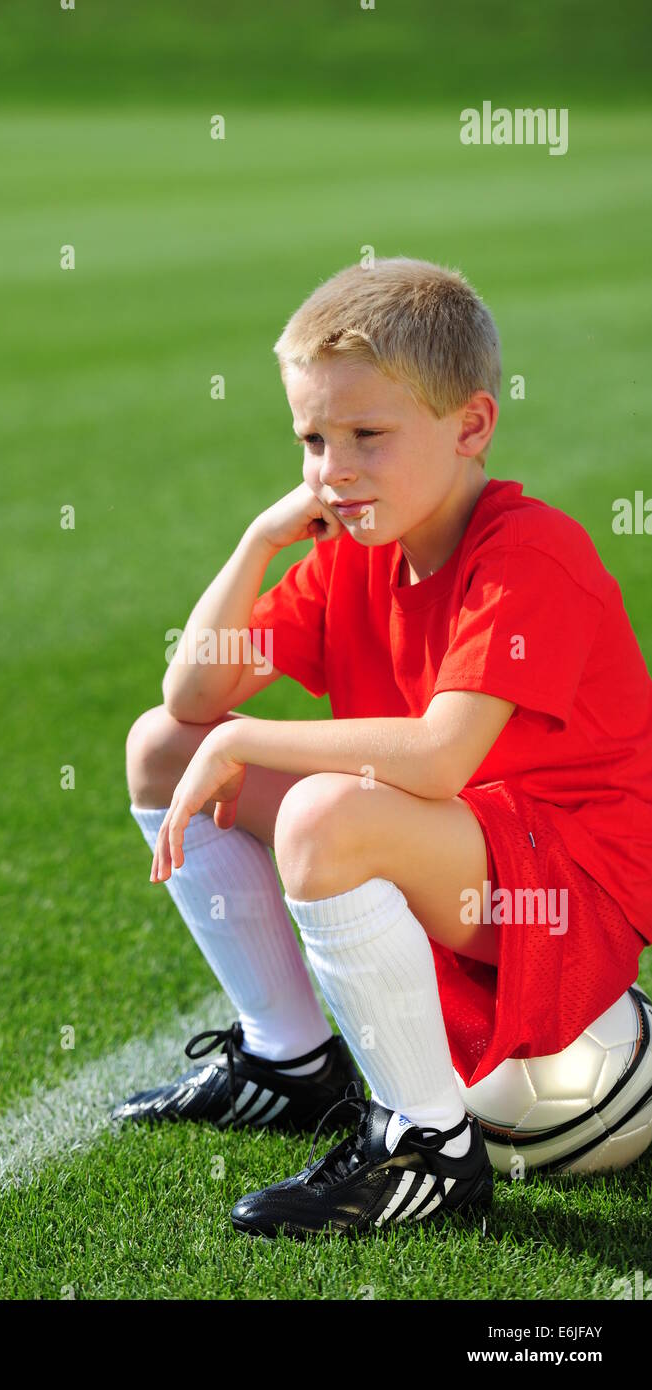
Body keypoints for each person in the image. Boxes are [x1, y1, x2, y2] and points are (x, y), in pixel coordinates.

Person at [115, 257, 652, 1239]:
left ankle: (428, 1148)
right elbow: (189, 692)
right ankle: (290, 1062)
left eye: (367, 435)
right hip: (465, 850)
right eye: (313, 439)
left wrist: (247, 741)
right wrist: (261, 539)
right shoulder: (356, 555)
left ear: (471, 426)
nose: (335, 469)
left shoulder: (529, 553)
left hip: (567, 889)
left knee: (325, 810)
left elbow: (442, 756)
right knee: (159, 747)